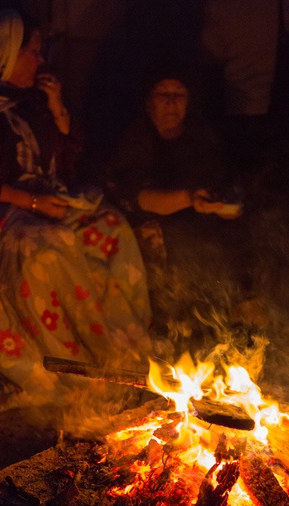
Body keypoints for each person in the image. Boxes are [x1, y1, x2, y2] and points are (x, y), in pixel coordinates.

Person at [0, 9, 152, 413]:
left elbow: (70, 161)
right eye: (33, 52)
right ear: (4, 55)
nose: (40, 61)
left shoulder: (31, 102)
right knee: (43, 245)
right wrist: (33, 203)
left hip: (44, 202)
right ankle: (62, 360)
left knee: (110, 225)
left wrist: (58, 109)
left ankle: (119, 344)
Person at [105, 64, 253, 353]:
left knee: (233, 239)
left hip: (201, 225)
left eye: (179, 94)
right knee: (179, 243)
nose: (171, 102)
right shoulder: (135, 140)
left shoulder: (202, 138)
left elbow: (228, 192)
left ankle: (231, 334)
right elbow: (138, 197)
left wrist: (223, 205)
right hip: (154, 226)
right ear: (148, 101)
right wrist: (190, 199)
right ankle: (175, 338)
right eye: (163, 93)